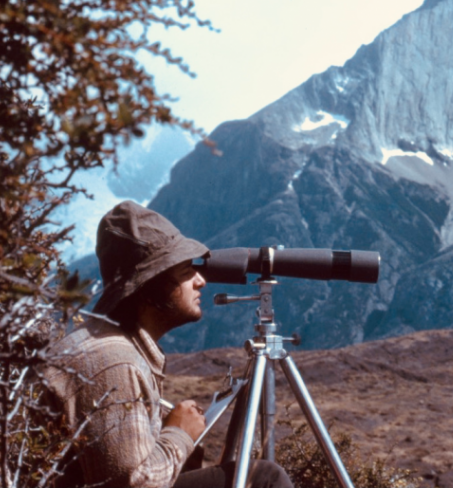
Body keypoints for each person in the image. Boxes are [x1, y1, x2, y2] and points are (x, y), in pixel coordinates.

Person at [44, 201, 293, 488]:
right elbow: (130, 483)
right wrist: (179, 434)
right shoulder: (113, 360)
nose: (200, 280)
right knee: (263, 479)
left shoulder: (113, 344)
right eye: (186, 270)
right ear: (150, 284)